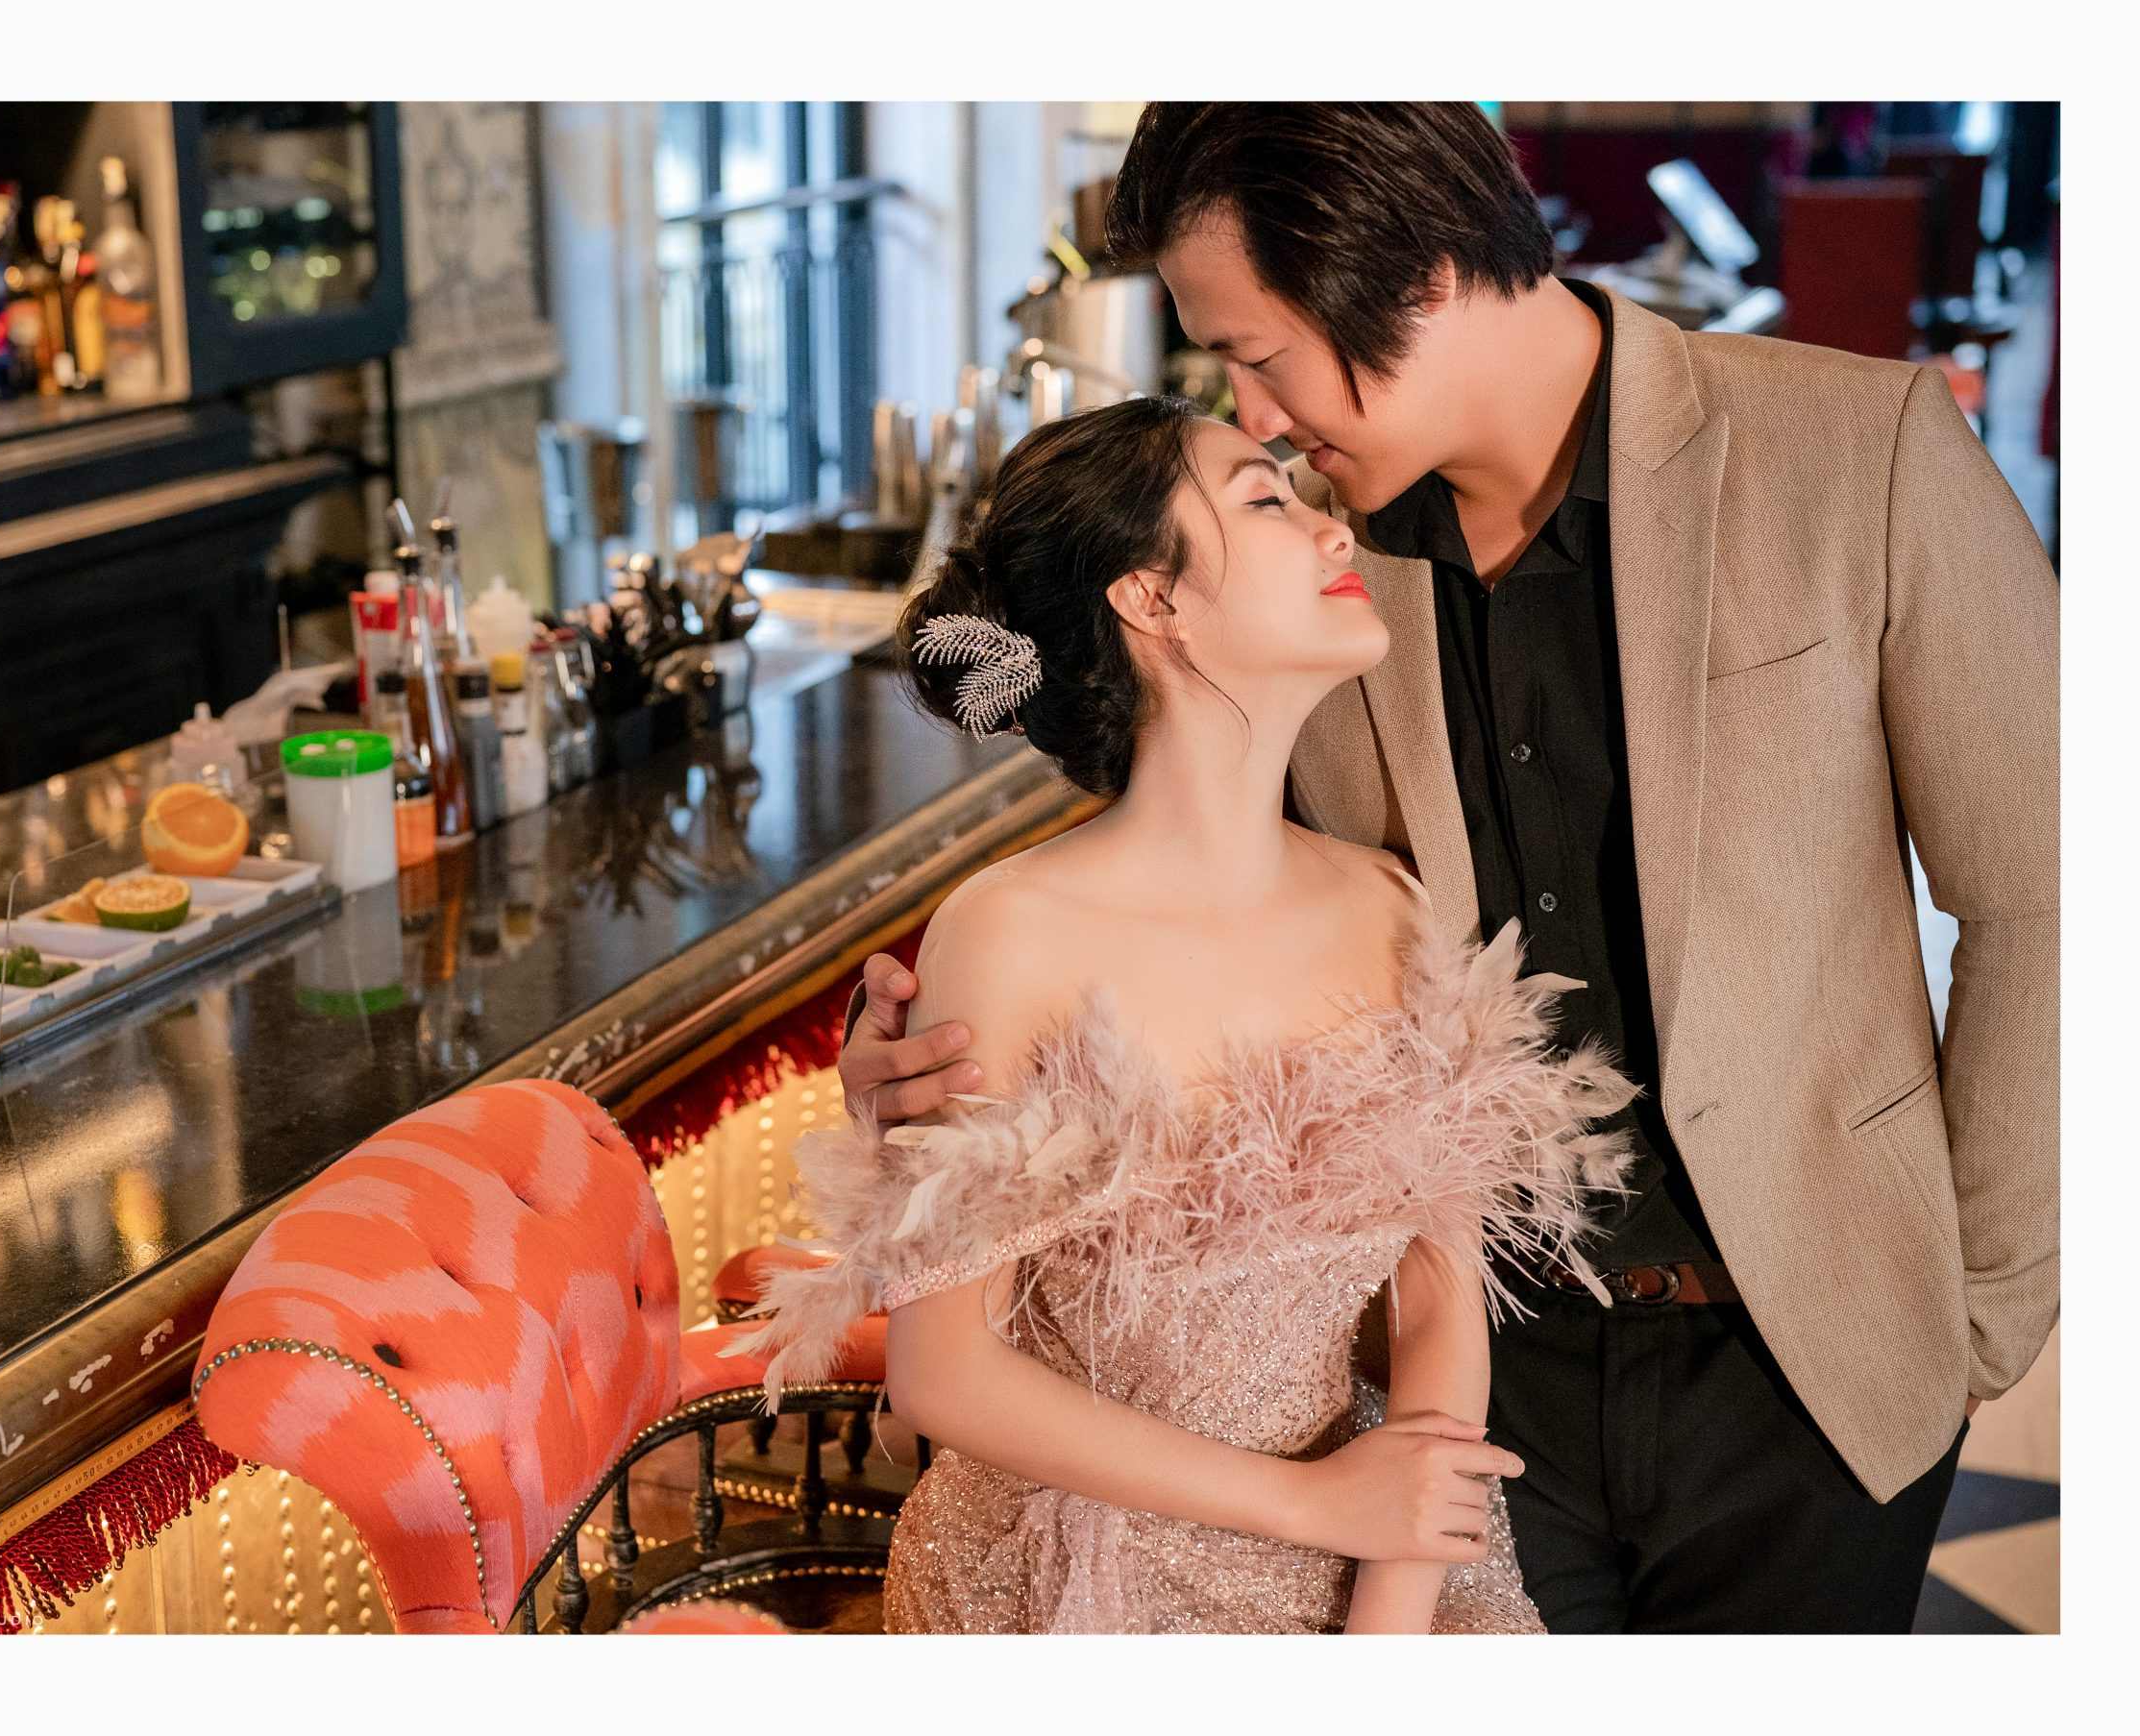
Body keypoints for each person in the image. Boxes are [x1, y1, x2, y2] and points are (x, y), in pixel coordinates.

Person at [836, 102, 2058, 1633]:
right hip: (1456, 1385)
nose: (1259, 416)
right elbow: (1186, 886)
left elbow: (2052, 894)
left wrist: (1977, 1317)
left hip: (1810, 1371)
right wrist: (937, 1080)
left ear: (1407, 270)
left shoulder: (1854, 450)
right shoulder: (1319, 565)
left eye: (1260, 355)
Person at [736, 395, 1638, 1633]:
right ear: (1149, 599)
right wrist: (1314, 1504)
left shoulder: (1390, 901)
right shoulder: (1010, 931)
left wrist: (1387, 1617)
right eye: (1268, 500)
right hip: (1074, 1585)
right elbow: (946, 1373)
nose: (1333, 532)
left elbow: (1439, 1294)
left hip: (1371, 1566)